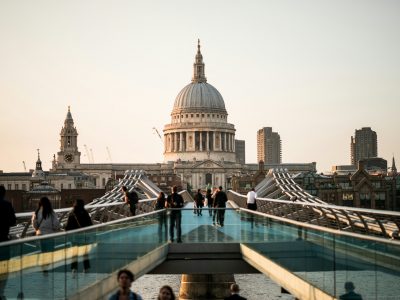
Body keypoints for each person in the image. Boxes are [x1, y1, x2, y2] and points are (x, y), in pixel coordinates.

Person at [65, 199, 93, 274]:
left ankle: (74, 269)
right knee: (85, 252)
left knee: (74, 253)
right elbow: (90, 225)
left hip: (74, 236)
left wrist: (67, 233)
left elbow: (68, 227)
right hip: (84, 236)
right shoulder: (85, 212)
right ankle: (86, 268)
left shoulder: (72, 213)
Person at [0, 186, 16, 299]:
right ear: (4, 194)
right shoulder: (7, 205)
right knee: (4, 268)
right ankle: (1, 292)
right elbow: (13, 222)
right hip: (3, 240)